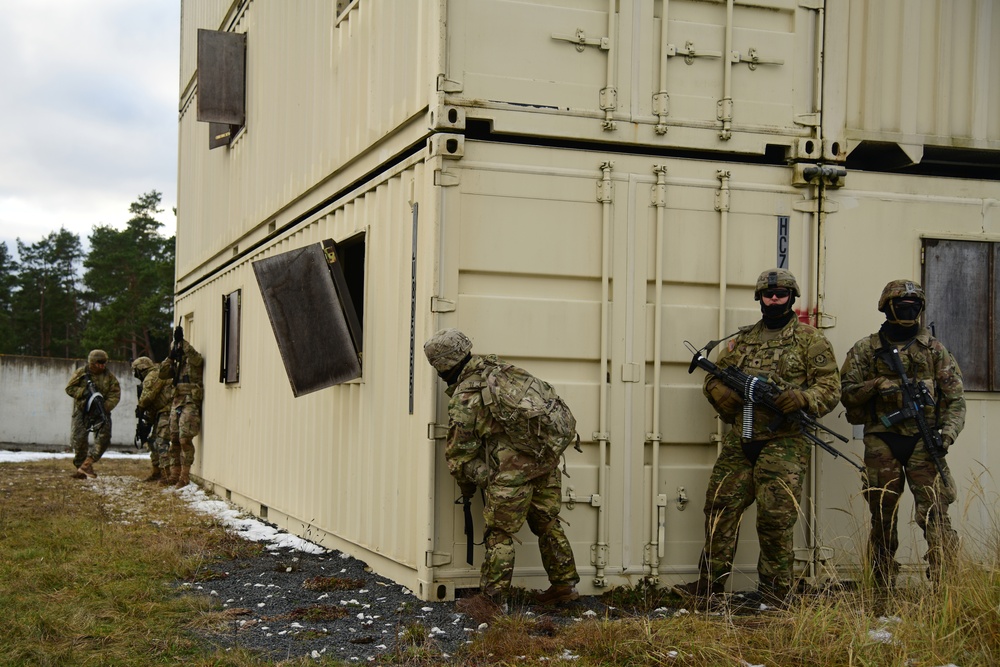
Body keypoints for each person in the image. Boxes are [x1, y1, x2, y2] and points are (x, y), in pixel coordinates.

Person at [673, 269, 841, 605]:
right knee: (720, 507)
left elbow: (831, 387)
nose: (774, 299)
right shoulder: (742, 340)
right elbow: (716, 375)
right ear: (760, 298)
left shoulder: (811, 340)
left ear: (791, 297)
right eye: (768, 294)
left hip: (785, 440)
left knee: (775, 517)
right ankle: (709, 587)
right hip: (742, 437)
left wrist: (803, 398)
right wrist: (718, 393)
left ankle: (776, 592)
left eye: (781, 294)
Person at [423, 328, 580, 614]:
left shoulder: (466, 396)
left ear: (443, 366)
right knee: (547, 523)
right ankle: (564, 587)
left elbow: (458, 456)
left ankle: (492, 602)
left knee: (499, 533)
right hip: (544, 461)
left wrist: (486, 479)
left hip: (512, 473)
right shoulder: (502, 370)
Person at [840, 279, 964, 588]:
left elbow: (955, 400)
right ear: (886, 307)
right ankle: (880, 585)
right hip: (883, 440)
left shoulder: (935, 350)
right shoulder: (866, 349)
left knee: (935, 515)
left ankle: (946, 587)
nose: (908, 310)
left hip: (926, 442)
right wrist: (877, 385)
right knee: (883, 518)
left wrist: (945, 435)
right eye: (901, 305)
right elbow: (846, 393)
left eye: (914, 305)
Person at [158, 325, 204, 488]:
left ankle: (184, 476)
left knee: (185, 439)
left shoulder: (191, 359)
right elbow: (162, 373)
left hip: (190, 400)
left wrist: (182, 342)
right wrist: (170, 357)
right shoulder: (175, 364)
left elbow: (197, 360)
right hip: (176, 400)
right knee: (174, 439)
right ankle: (174, 474)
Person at [65, 349, 121, 479]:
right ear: (92, 362)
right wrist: (83, 392)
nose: (102, 365)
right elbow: (69, 389)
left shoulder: (109, 377)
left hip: (102, 411)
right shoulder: (81, 373)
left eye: (104, 362)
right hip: (83, 410)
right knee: (78, 440)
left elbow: (115, 394)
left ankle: (87, 463)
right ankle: (81, 468)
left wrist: (105, 407)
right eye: (99, 363)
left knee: (104, 438)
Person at [132, 356, 174, 483]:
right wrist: (147, 421)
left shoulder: (153, 374)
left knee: (161, 441)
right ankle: (157, 471)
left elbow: (148, 396)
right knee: (152, 441)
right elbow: (152, 402)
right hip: (160, 412)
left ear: (141, 369)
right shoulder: (155, 374)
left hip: (167, 411)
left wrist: (140, 407)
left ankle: (167, 474)